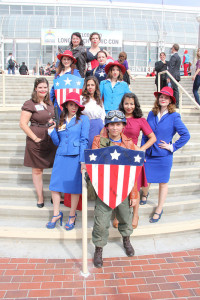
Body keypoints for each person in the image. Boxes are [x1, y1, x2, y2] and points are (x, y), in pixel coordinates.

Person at [92, 110, 138, 268]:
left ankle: (126, 239)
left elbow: (133, 172)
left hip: (123, 188)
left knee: (125, 217)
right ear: (107, 125)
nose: (115, 127)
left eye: (118, 124)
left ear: (123, 125)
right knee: (101, 222)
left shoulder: (130, 144)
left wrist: (133, 194)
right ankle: (99, 248)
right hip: (104, 188)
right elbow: (94, 165)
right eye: (111, 124)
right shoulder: (99, 141)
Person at [141, 87, 190, 223]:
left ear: (170, 101)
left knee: (163, 183)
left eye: (166, 97)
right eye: (161, 96)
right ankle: (145, 194)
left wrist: (172, 146)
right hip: (150, 154)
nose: (163, 99)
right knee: (145, 181)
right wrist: (143, 150)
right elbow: (146, 133)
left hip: (164, 156)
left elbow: (186, 135)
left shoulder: (174, 116)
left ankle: (159, 209)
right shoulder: (151, 113)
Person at [46, 92, 90, 230]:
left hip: (76, 157)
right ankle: (56, 213)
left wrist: (83, 161)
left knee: (74, 188)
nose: (74, 107)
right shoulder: (61, 119)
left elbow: (84, 140)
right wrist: (51, 132)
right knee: (55, 186)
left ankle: (72, 215)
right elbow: (58, 142)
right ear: (65, 105)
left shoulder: (83, 119)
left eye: (76, 105)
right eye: (71, 104)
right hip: (60, 156)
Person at [116, 93, 156, 229]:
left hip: (134, 157)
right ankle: (117, 214)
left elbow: (152, 138)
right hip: (119, 156)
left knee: (135, 187)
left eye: (131, 104)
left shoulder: (140, 120)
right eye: (126, 103)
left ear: (135, 105)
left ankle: (135, 215)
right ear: (123, 104)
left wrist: (141, 149)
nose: (129, 106)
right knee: (119, 186)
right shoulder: (117, 118)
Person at [20, 78, 57, 208]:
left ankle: (55, 196)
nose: (43, 90)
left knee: (55, 168)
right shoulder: (29, 104)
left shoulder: (50, 103)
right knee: (37, 170)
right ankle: (40, 197)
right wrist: (35, 138)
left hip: (50, 139)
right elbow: (23, 124)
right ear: (35, 88)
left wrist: (54, 123)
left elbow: (52, 117)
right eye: (40, 87)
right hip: (36, 139)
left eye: (45, 87)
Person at [81, 76, 105, 148]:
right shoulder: (82, 99)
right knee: (89, 147)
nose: (90, 87)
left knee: (98, 147)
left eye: (92, 85)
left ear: (96, 86)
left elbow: (103, 114)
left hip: (100, 127)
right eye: (88, 85)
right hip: (88, 126)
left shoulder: (98, 100)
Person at [167, 43, 181, 108]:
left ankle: (175, 103)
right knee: (175, 89)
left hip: (173, 75)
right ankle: (176, 103)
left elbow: (171, 67)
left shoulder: (173, 57)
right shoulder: (178, 57)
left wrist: (169, 76)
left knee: (174, 89)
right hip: (177, 75)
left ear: (173, 48)